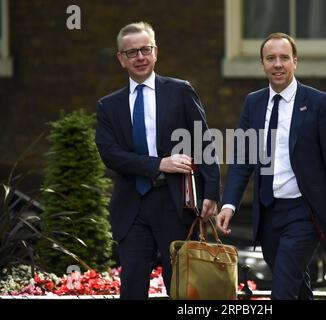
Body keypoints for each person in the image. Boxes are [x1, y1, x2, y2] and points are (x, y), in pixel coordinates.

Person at [216, 33, 326, 300]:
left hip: (304, 213)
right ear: (262, 64)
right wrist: (229, 204)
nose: (278, 64)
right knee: (294, 284)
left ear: (295, 62)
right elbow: (243, 158)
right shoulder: (253, 103)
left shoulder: (319, 103)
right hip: (268, 214)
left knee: (283, 289)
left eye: (284, 58)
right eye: (271, 58)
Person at [95, 22, 220, 299]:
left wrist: (211, 192)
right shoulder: (108, 106)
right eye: (132, 52)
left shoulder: (180, 91)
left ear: (156, 52)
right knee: (132, 285)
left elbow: (203, 140)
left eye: (145, 50)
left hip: (174, 202)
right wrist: (157, 164)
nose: (140, 57)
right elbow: (110, 154)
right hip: (132, 206)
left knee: (180, 285)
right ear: (121, 59)